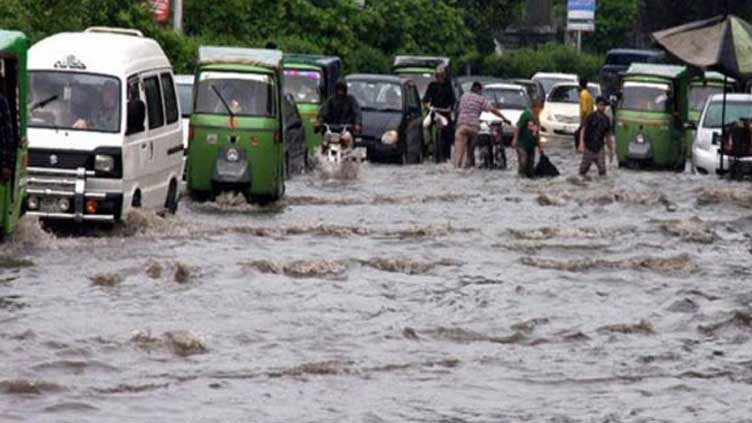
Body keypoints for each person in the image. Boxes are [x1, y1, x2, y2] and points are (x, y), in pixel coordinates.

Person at [454, 81, 509, 169]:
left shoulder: (464, 96)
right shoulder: (481, 99)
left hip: (461, 126)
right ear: (479, 90)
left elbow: (461, 110)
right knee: (470, 152)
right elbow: (493, 110)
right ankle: (469, 166)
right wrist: (504, 119)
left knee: (459, 152)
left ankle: (458, 167)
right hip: (473, 128)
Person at [422, 64, 456, 162]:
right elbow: (426, 99)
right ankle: (428, 147)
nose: (439, 78)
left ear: (444, 76)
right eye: (438, 76)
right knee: (426, 126)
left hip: (445, 113)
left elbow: (452, 100)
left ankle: (447, 154)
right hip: (433, 111)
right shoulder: (432, 85)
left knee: (449, 131)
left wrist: (450, 108)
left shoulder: (448, 86)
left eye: (441, 75)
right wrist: (427, 105)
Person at [317, 80, 362, 147]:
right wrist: (319, 121)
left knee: (347, 137)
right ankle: (324, 151)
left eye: (342, 89)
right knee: (325, 138)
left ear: (345, 90)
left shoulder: (351, 100)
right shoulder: (331, 100)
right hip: (331, 130)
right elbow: (324, 112)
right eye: (338, 89)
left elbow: (357, 112)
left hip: (346, 130)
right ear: (336, 90)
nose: (340, 92)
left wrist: (357, 124)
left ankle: (348, 151)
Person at [578, 96, 614, 177]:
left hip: (600, 148)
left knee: (602, 170)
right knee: (583, 170)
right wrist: (581, 143)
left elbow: (608, 136)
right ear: (596, 105)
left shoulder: (606, 120)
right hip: (589, 147)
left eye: (604, 105)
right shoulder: (590, 116)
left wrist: (611, 151)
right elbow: (583, 129)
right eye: (601, 105)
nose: (602, 107)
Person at [512, 99, 544, 178]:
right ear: (534, 108)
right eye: (538, 109)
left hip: (531, 146)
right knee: (523, 161)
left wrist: (540, 147)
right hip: (522, 144)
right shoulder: (526, 114)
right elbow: (518, 127)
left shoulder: (537, 119)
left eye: (540, 109)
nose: (539, 111)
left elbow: (537, 134)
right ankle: (520, 177)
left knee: (530, 165)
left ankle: (527, 180)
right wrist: (515, 139)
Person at [574, 77, 594, 149]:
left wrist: (583, 122)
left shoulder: (583, 94)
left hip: (586, 120)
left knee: (580, 137)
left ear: (580, 85)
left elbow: (584, 110)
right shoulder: (589, 94)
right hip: (590, 119)